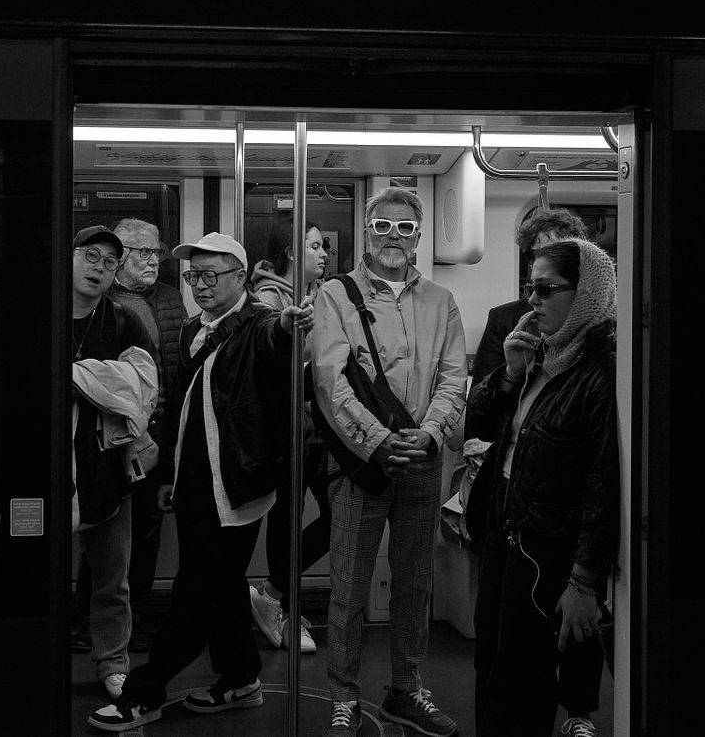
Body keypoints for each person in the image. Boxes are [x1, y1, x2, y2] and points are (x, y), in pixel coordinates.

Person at [89, 232, 315, 733]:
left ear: (242, 277)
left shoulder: (256, 323)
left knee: (195, 592)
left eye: (211, 276)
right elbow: (184, 412)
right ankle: (240, 678)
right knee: (223, 584)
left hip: (234, 483)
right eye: (193, 277)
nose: (200, 286)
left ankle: (143, 694)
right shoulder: (195, 328)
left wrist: (288, 325)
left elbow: (275, 339)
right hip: (194, 480)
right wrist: (169, 474)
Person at [310, 187, 467, 737]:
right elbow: (330, 382)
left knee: (414, 582)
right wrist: (379, 440)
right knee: (349, 585)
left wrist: (425, 435)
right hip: (362, 462)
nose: (393, 238)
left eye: (405, 228)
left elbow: (453, 377)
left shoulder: (441, 301)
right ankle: (342, 693)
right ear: (367, 231)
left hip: (421, 460)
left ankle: (407, 687)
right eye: (383, 227)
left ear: (420, 236)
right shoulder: (334, 295)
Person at [463, 238, 619, 737]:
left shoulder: (602, 371)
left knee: (522, 683)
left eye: (546, 289)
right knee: (491, 663)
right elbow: (480, 425)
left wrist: (584, 581)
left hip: (546, 549)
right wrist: (508, 373)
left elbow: (603, 481)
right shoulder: (538, 356)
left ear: (586, 295)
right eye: (531, 288)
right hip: (505, 531)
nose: (533, 301)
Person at [73, 217, 188, 654]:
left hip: (154, 429)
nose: (151, 261)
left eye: (155, 252)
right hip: (104, 436)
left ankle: (131, 621)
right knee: (100, 533)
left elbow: (170, 373)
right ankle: (84, 623)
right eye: (140, 252)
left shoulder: (171, 300)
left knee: (145, 532)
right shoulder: (107, 307)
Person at [69, 224, 159, 702]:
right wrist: (105, 381)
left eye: (109, 262)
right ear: (71, 257)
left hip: (107, 466)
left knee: (112, 578)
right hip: (53, 468)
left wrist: (81, 377)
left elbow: (143, 389)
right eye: (91, 256)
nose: (98, 268)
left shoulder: (124, 320)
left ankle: (113, 663)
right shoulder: (41, 309)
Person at [248, 217, 331, 654]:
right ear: (294, 252)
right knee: (287, 519)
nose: (324, 254)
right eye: (316, 246)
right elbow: (277, 362)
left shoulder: (319, 296)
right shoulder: (268, 299)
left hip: (319, 427)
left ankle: (274, 592)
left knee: (338, 516)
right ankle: (282, 604)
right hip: (287, 426)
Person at [469, 206, 588, 387]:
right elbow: (478, 408)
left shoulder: (593, 325)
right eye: (533, 255)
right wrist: (511, 374)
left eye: (552, 253)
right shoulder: (504, 319)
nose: (540, 262)